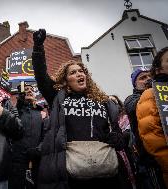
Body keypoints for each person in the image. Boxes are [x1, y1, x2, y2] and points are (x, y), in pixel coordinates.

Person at [32, 29, 125, 189]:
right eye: (73, 73)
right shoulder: (59, 98)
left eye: (81, 71)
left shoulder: (103, 101)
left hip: (104, 167)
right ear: (66, 80)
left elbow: (117, 131)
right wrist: (38, 47)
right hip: (72, 168)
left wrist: (118, 138)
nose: (79, 74)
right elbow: (41, 75)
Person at [124, 67, 165, 189]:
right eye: (142, 78)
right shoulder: (131, 99)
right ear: (135, 84)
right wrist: (153, 89)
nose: (148, 79)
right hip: (150, 160)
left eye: (149, 76)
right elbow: (135, 108)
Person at [137, 47, 168, 189]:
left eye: (147, 76)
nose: (146, 79)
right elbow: (154, 138)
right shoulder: (150, 94)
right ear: (158, 70)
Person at [8, 84, 47, 189]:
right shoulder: (16, 111)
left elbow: (46, 135)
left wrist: (38, 150)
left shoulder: (42, 114)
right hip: (17, 160)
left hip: (36, 161)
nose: (29, 91)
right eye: (26, 90)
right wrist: (21, 97)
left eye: (31, 90)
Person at [109, 95, 136, 189]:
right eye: (110, 102)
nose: (112, 105)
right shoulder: (108, 122)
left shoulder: (127, 117)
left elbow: (129, 134)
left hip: (130, 153)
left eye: (114, 102)